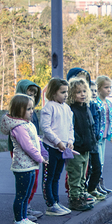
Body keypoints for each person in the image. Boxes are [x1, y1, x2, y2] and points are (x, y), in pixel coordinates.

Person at [1, 93, 46, 224]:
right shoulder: (19, 127)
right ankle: (19, 221)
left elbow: (36, 140)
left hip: (30, 165)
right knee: (21, 195)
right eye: (28, 109)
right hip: (22, 166)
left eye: (32, 108)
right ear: (18, 109)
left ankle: (24, 217)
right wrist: (40, 158)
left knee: (26, 194)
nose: (31, 111)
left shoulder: (27, 124)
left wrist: (42, 150)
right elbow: (28, 146)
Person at [40, 78, 73, 217]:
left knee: (57, 176)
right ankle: (50, 204)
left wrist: (70, 141)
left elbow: (71, 127)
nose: (65, 95)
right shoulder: (49, 107)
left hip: (63, 148)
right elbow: (45, 127)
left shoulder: (67, 108)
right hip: (51, 148)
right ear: (53, 93)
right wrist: (57, 141)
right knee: (49, 176)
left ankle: (56, 202)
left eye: (66, 92)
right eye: (62, 92)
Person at [66, 78, 97, 212]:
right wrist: (77, 142)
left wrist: (92, 141)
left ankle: (81, 195)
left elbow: (90, 126)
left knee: (83, 175)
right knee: (76, 175)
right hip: (77, 148)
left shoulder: (86, 108)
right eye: (78, 92)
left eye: (84, 91)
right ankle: (75, 199)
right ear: (72, 94)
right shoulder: (71, 110)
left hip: (87, 148)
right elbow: (71, 129)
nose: (82, 94)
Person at [95, 75, 112, 195]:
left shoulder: (109, 103)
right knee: (98, 160)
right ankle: (95, 183)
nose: (109, 90)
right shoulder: (96, 102)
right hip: (98, 135)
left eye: (110, 87)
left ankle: (101, 183)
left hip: (105, 135)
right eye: (106, 87)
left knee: (102, 160)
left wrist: (111, 133)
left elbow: (110, 119)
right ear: (98, 88)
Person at [86, 80, 105, 200]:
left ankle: (93, 188)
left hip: (95, 140)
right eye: (91, 90)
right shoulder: (86, 106)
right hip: (86, 142)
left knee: (97, 167)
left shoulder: (95, 105)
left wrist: (98, 134)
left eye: (94, 90)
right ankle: (86, 190)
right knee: (88, 169)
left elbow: (98, 121)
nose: (93, 93)